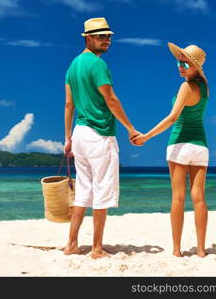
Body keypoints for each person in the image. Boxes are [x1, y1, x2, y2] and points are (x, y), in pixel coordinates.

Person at [64, 17, 139, 258]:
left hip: (80, 134)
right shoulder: (97, 65)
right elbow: (111, 99)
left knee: (84, 190)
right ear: (88, 38)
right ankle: (96, 248)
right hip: (99, 135)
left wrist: (67, 138)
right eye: (101, 36)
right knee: (102, 189)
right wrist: (130, 128)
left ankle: (72, 245)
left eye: (108, 36)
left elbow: (69, 105)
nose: (107, 40)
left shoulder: (73, 66)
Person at [133, 43, 209, 257]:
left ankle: (176, 250)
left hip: (180, 145)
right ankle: (201, 250)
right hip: (201, 146)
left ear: (195, 67)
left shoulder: (185, 87)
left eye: (186, 63)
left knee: (178, 198)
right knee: (199, 198)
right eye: (179, 62)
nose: (180, 66)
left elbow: (173, 117)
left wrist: (146, 136)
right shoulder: (205, 88)